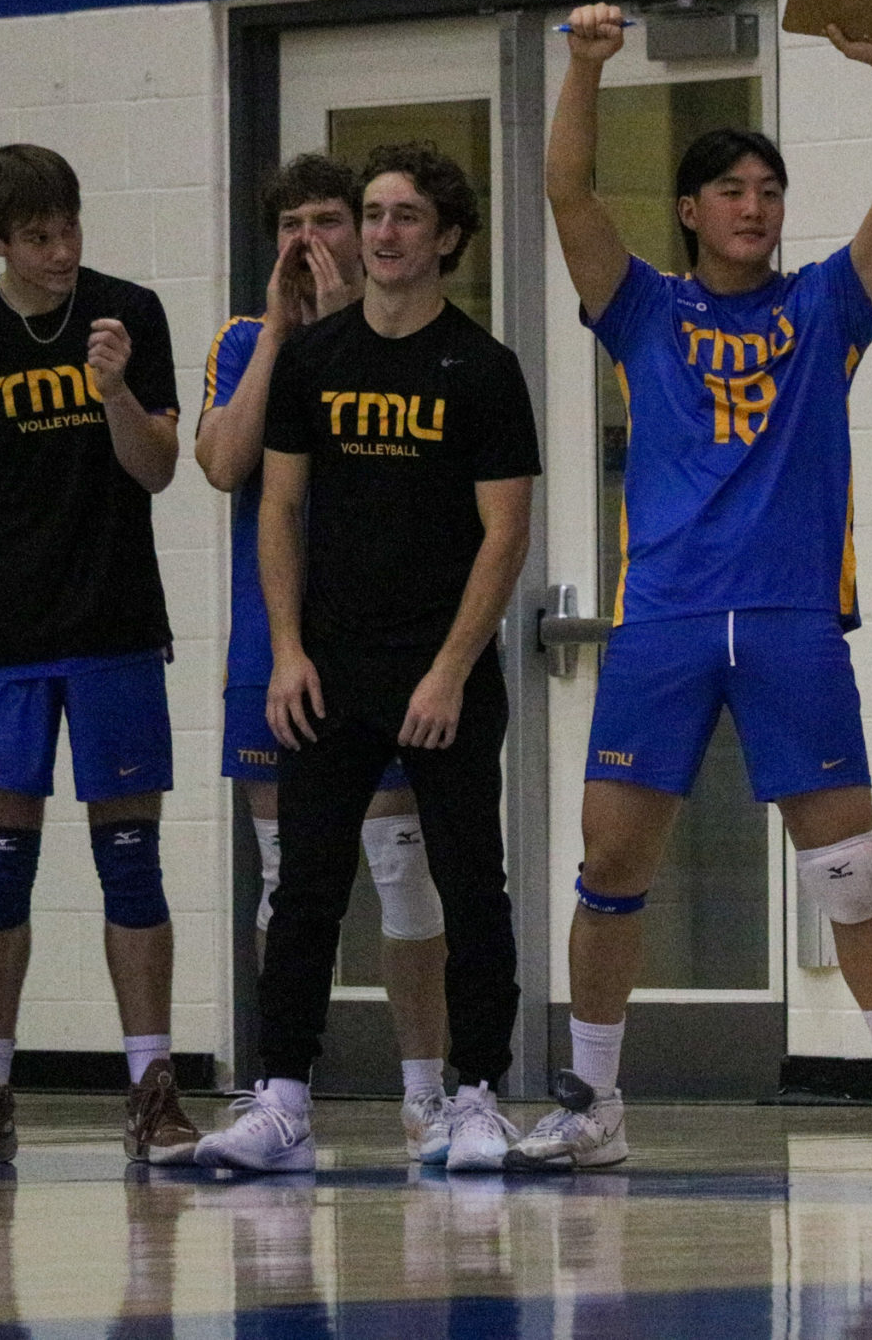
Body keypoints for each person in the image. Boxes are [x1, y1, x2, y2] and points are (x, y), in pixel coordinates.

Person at [520, 1, 872, 1173]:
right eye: (733, 189)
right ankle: (593, 1105)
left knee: (846, 865)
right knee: (612, 864)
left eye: (770, 189)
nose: (756, 206)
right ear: (693, 212)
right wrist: (587, 67)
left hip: (788, 618)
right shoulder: (645, 308)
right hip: (659, 620)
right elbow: (568, 195)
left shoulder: (824, 309)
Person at [193, 142, 537, 1174]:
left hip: (441, 675)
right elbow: (278, 508)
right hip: (327, 671)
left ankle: (474, 1097)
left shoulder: (484, 368)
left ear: (447, 239)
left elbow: (505, 534)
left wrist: (449, 668)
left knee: (470, 884)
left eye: (404, 218)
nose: (384, 234)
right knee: (304, 887)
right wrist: (289, 650)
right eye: (375, 214)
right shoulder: (310, 357)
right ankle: (284, 1102)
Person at [0, 144, 200, 1167]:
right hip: (4, 648)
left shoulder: (130, 313)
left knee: (131, 865)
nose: (63, 249)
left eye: (71, 226)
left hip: (114, 631)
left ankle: (151, 1087)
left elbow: (159, 471)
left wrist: (114, 390)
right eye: (38, 236)